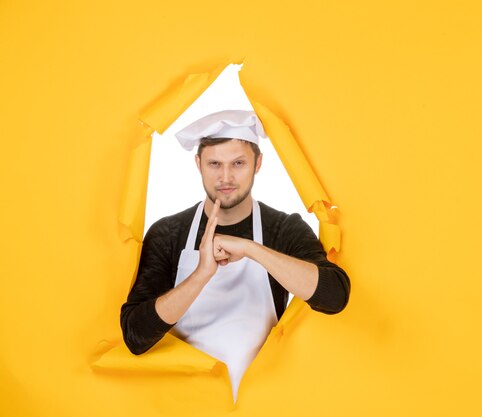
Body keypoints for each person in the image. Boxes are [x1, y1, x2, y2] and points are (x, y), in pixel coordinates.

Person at [120, 109, 350, 399]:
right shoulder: (168, 232)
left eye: (238, 163)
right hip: (185, 402)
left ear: (258, 164)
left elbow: (334, 297)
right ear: (198, 164)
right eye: (214, 163)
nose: (225, 177)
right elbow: (135, 335)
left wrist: (252, 250)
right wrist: (201, 274)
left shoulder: (282, 228)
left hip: (262, 400)